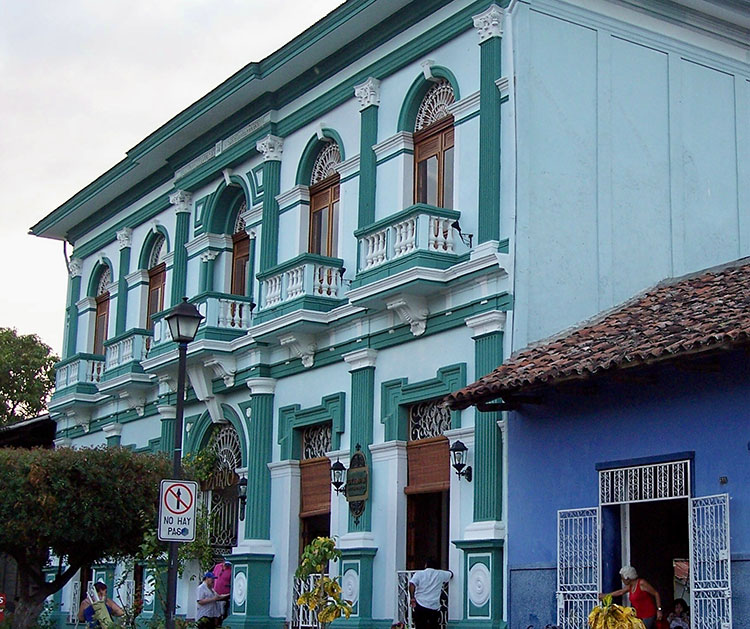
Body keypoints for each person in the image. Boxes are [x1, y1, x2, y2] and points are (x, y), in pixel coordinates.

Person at [408, 558, 453, 629]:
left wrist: (412, 598)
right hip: (433, 606)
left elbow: (412, 584)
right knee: (433, 626)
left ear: (426, 565)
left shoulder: (419, 574)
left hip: (420, 604)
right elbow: (451, 574)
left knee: (420, 626)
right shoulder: (440, 574)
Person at [211, 558, 232, 623]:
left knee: (223, 611)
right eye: (226, 564)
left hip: (225, 594)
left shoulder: (231, 569)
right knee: (215, 612)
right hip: (215, 592)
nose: (227, 566)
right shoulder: (217, 567)